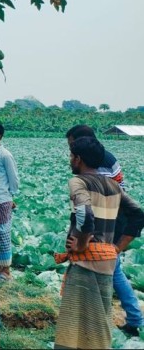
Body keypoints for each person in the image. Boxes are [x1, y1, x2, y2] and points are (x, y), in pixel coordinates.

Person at [54, 137, 144, 349]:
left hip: (86, 261)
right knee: (99, 316)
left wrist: (82, 244)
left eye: (71, 156)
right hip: (106, 260)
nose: (70, 161)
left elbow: (85, 213)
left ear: (78, 159)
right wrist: (117, 247)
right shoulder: (113, 186)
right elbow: (138, 215)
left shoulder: (79, 182)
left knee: (74, 318)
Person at [0, 123, 20, 282]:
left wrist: (10, 196)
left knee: (3, 233)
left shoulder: (5, 155)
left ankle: (6, 270)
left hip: (2, 198)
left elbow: (13, 179)